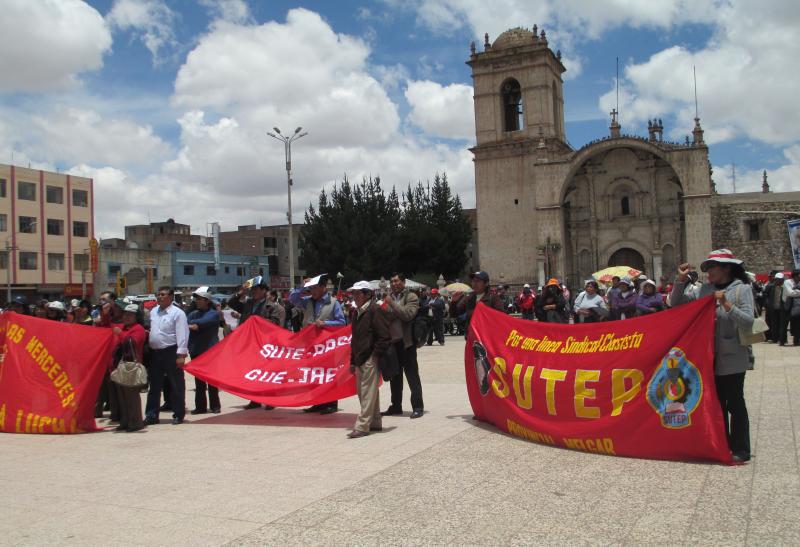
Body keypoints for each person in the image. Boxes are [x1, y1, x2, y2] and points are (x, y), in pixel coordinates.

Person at [671, 249, 754, 462]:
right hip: (707, 356)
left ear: (726, 268)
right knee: (717, 403)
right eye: (707, 269)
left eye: (712, 268)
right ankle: (722, 444)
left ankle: (741, 449)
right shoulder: (704, 290)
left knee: (735, 402)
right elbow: (675, 303)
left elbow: (748, 321)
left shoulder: (742, 289)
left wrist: (726, 303)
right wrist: (680, 280)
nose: (708, 273)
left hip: (733, 355)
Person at [289, 274, 347, 414]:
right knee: (313, 374)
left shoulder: (334, 303)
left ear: (323, 287)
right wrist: (302, 287)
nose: (312, 291)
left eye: (315, 288)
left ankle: (331, 403)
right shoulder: (307, 301)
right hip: (310, 344)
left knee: (328, 374)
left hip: (327, 346)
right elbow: (292, 298)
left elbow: (342, 322)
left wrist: (325, 323)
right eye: (311, 288)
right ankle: (317, 401)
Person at [346, 281, 392, 438]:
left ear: (368, 294)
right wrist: (352, 361)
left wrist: (374, 356)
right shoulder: (357, 312)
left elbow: (384, 336)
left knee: (366, 392)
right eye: (354, 293)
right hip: (361, 358)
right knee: (367, 392)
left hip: (370, 357)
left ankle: (362, 425)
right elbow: (355, 339)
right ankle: (375, 421)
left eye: (358, 293)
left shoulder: (375, 310)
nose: (355, 296)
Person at [228, 276, 282, 410]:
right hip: (249, 342)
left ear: (264, 291)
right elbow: (231, 303)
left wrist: (257, 321)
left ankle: (270, 399)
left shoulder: (273, 306)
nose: (254, 292)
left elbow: (276, 324)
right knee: (253, 371)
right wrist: (241, 292)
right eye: (253, 289)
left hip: (265, 344)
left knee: (267, 372)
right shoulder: (248, 304)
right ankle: (255, 399)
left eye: (257, 289)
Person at [381, 272, 425, 419]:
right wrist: (395, 311)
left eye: (396, 281)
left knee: (412, 376)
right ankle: (396, 406)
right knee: (395, 376)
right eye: (391, 281)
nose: (393, 284)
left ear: (403, 282)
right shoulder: (389, 298)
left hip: (407, 343)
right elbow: (384, 317)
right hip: (393, 343)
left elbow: (407, 315)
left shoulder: (411, 297)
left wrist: (392, 305)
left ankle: (418, 406)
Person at [145, 287, 190, 425]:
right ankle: (151, 415)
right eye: (158, 294)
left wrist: (181, 354)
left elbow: (182, 334)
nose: (159, 297)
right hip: (155, 353)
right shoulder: (153, 312)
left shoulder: (178, 313)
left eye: (163, 294)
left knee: (176, 384)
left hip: (171, 352)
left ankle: (178, 413)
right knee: (154, 386)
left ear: (171, 297)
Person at [110, 304, 147, 432]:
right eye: (125, 314)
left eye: (130, 315)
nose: (126, 317)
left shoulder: (138, 329)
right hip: (121, 366)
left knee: (131, 396)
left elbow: (133, 342)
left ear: (136, 317)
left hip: (131, 367)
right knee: (121, 396)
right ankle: (125, 421)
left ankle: (135, 422)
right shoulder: (123, 327)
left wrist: (120, 334)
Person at [188, 289, 221, 415]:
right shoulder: (193, 313)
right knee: (199, 381)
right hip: (196, 350)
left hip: (210, 350)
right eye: (196, 299)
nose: (196, 301)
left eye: (199, 299)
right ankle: (200, 406)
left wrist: (193, 325)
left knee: (212, 380)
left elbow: (202, 323)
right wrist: (192, 325)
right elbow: (186, 322)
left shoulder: (213, 314)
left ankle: (215, 406)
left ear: (207, 301)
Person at [787, 270, 800, 346]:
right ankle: (796, 340)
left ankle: (796, 340)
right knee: (796, 325)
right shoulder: (790, 283)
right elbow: (791, 293)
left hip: (796, 308)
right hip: (795, 308)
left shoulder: (795, 285)